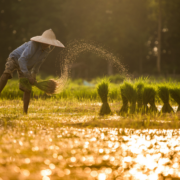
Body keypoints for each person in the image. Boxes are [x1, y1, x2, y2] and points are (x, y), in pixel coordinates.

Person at [0, 29, 65, 114]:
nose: (47, 44)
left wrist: (33, 77)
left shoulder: (46, 50)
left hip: (26, 66)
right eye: (46, 41)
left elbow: (37, 65)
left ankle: (25, 113)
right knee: (6, 74)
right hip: (15, 59)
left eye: (49, 43)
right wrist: (28, 76)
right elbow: (21, 60)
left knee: (28, 89)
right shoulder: (33, 45)